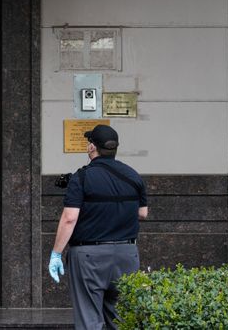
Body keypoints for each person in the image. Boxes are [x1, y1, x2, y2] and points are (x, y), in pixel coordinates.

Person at [48, 124, 148, 330]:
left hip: (89, 257)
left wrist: (56, 253)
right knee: (122, 319)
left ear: (91, 147)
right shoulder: (133, 175)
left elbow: (69, 218)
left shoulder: (82, 177)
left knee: (89, 320)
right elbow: (142, 213)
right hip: (127, 254)